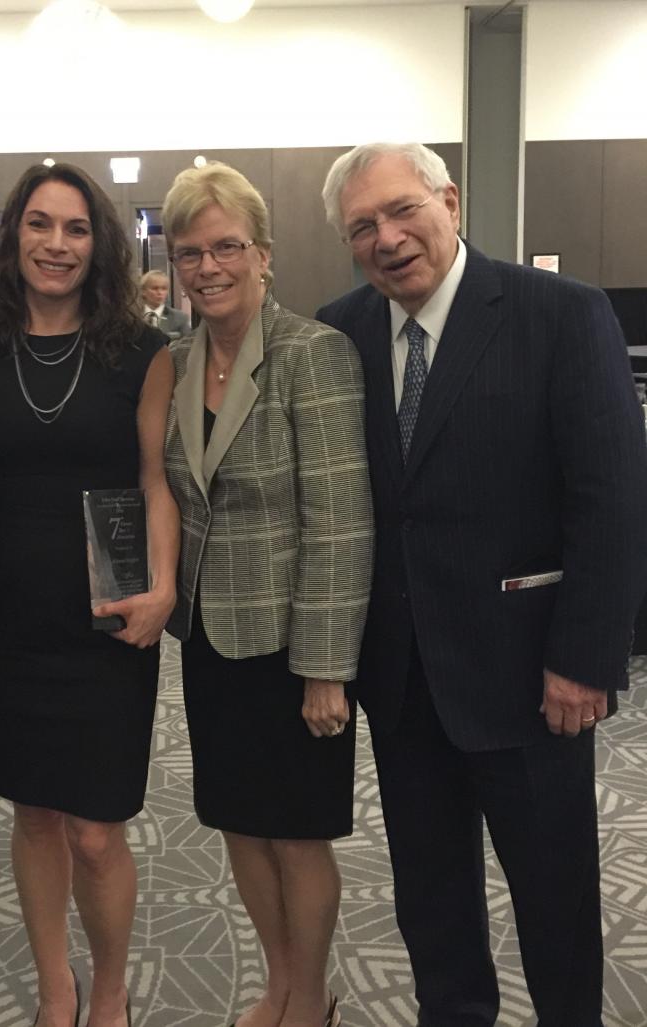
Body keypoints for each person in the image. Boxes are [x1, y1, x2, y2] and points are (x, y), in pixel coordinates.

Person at [316, 141, 647, 1027]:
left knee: (555, 891)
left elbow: (611, 499)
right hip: (402, 674)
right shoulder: (338, 331)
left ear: (450, 202)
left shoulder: (560, 314)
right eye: (362, 227)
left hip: (533, 675)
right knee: (430, 893)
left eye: (401, 211)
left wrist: (586, 657)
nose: (386, 238)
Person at [0, 162, 179, 1027]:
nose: (58, 244)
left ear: (102, 245)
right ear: (14, 234)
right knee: (36, 812)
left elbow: (155, 480)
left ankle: (112, 986)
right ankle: (58, 986)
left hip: (106, 616)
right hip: (7, 618)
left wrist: (162, 586)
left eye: (78, 229)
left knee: (97, 828)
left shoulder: (142, 351)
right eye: (41, 225)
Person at [161, 162, 373, 1027]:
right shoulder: (174, 362)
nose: (208, 266)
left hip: (293, 649)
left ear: (264, 255)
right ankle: (280, 982)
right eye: (190, 253)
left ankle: (310, 995)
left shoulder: (311, 353)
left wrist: (326, 670)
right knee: (238, 824)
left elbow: (342, 520)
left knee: (297, 831)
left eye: (226, 247)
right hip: (212, 639)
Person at [140, 269, 191, 340]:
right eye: (155, 288)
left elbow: (187, 345)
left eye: (164, 289)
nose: (160, 293)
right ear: (143, 291)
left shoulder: (180, 318)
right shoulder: (131, 317)